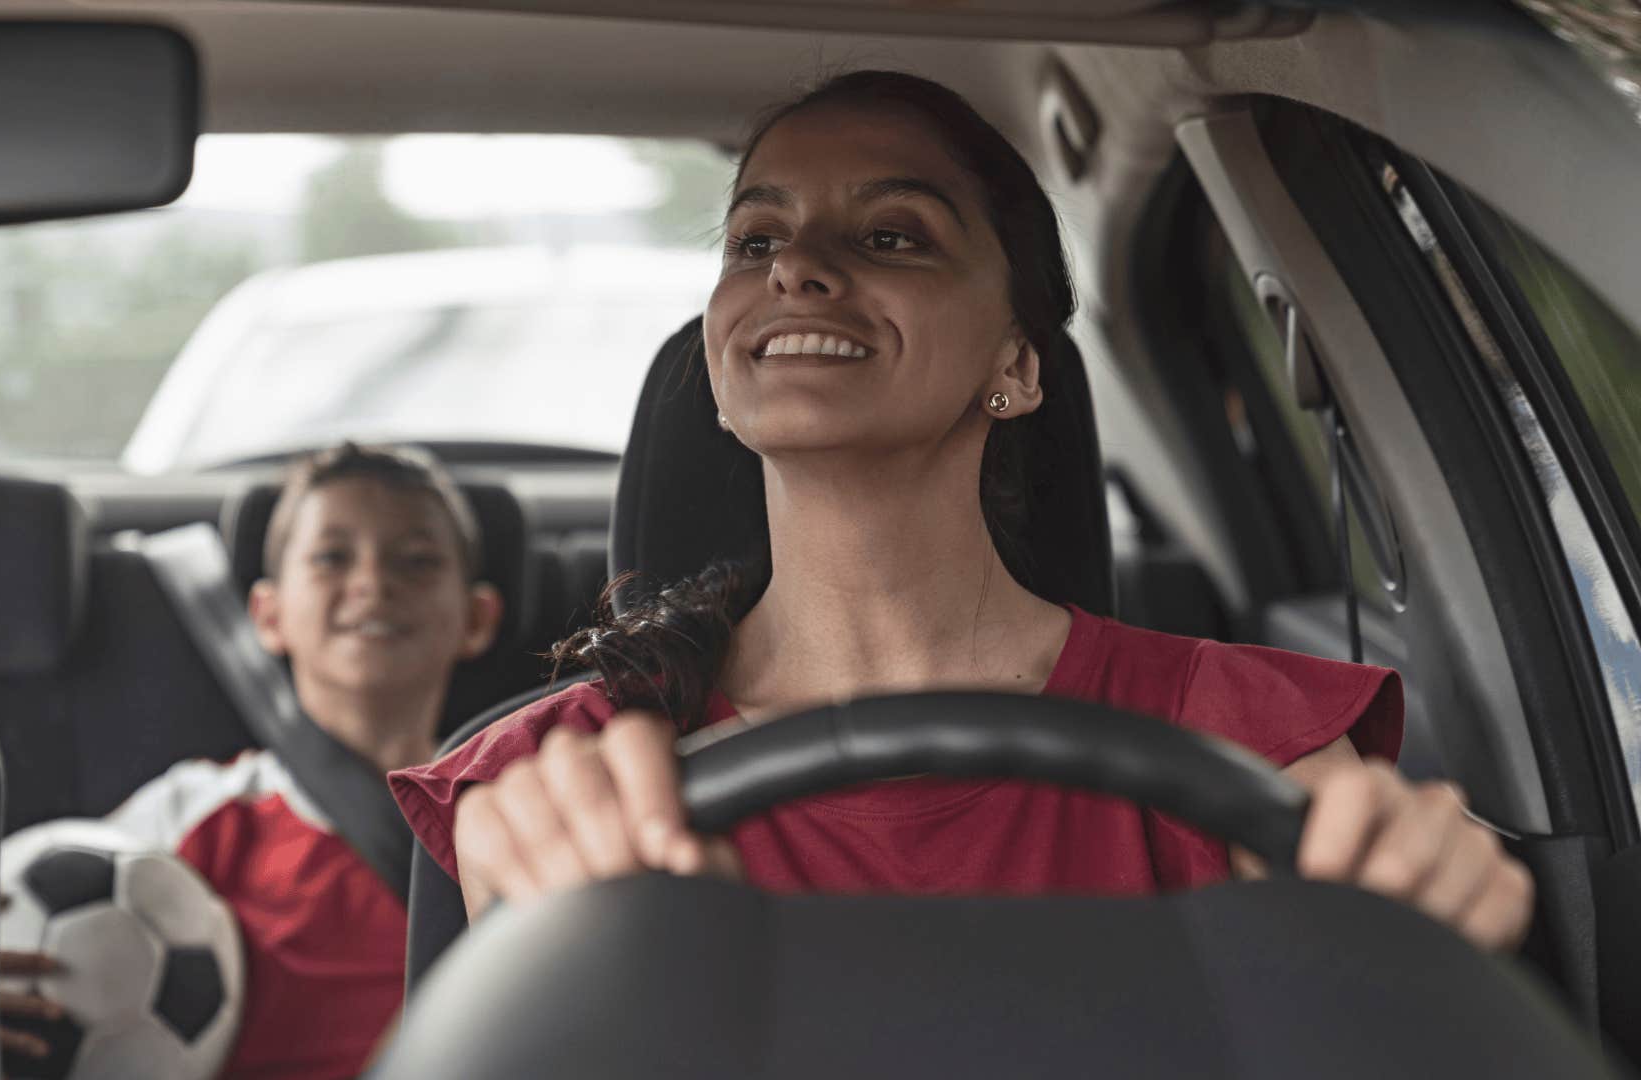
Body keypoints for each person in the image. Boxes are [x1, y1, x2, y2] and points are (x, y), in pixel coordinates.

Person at [386, 71, 1534, 951]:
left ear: (1019, 366)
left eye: (891, 235)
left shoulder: (1234, 739)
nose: (795, 269)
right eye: (754, 238)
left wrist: (1419, 894)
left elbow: (1375, 953)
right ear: (720, 364)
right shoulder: (561, 785)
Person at [0, 442, 502, 1079]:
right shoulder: (194, 814)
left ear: (478, 619)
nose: (374, 582)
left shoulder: (510, 813)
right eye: (331, 557)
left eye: (418, 561)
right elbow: (21, 939)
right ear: (268, 615)